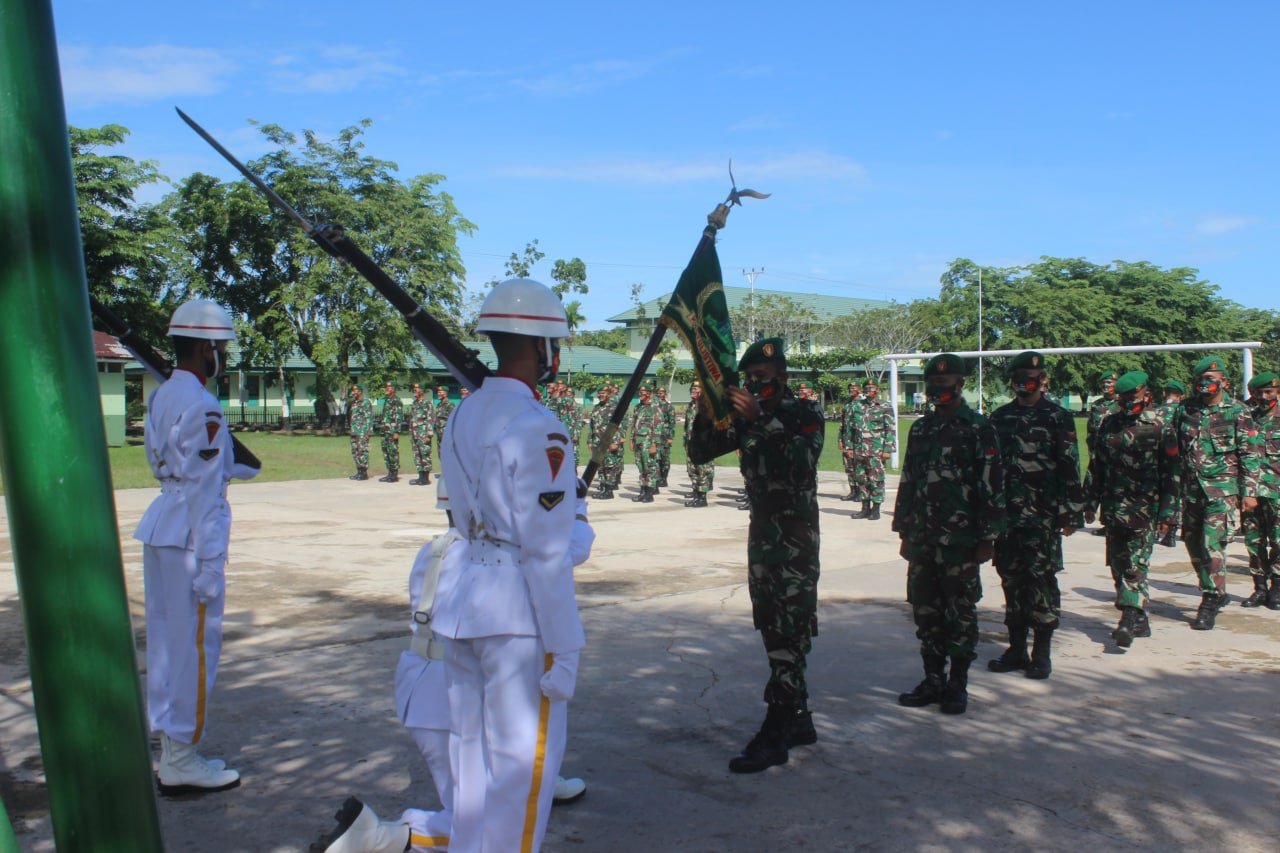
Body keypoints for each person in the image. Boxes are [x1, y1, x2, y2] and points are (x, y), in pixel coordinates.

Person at [322, 473, 592, 852]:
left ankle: (537, 782)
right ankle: (383, 836)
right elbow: (571, 548)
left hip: (419, 689)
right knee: (485, 821)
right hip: (449, 694)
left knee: (475, 804)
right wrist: (575, 507)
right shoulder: (491, 560)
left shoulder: (432, 551)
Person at [433, 277, 583, 853]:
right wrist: (566, 645)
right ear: (543, 347)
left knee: (471, 769)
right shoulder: (540, 426)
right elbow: (546, 552)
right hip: (518, 614)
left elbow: (462, 513)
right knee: (522, 772)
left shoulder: (461, 414)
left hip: (464, 601)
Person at [134, 299, 261, 793]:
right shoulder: (203, 404)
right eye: (220, 348)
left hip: (163, 524)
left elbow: (188, 461)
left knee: (168, 645)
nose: (222, 356)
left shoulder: (164, 393)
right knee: (195, 648)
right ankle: (184, 756)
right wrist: (210, 562)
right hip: (190, 534)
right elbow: (206, 493)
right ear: (207, 349)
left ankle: (171, 750)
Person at [687, 337, 824, 774]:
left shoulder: (805, 413)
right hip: (762, 535)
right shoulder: (745, 416)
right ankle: (799, 718)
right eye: (749, 379)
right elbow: (699, 453)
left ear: (782, 376)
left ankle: (777, 731)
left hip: (795, 539)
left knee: (790, 631)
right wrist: (705, 415)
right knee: (771, 624)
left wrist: (760, 419)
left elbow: (802, 462)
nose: (754, 385)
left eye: (762, 377)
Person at [893, 354, 1005, 715]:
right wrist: (904, 530)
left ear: (960, 384)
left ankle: (957, 684)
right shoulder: (921, 428)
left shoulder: (979, 428)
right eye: (932, 384)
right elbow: (909, 480)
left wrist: (988, 537)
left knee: (960, 613)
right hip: (923, 537)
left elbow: (992, 484)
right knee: (925, 612)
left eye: (944, 383)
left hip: (961, 541)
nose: (937, 389)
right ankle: (932, 679)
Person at [987, 352, 1086, 678]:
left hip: (1042, 517)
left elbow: (1069, 465)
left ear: (1043, 380)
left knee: (1041, 581)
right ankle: (1016, 649)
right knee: (1011, 580)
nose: (1023, 383)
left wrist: (1071, 512)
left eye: (1030, 377)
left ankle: (1041, 652)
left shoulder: (1058, 417)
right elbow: (990, 468)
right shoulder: (1000, 417)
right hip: (1007, 517)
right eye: (1018, 377)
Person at [1084, 371, 1181, 646]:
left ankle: (1127, 618)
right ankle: (1139, 619)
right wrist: (1090, 501)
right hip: (1114, 507)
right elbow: (1097, 465)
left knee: (1135, 564)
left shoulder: (1160, 426)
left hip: (1144, 508)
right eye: (1123, 397)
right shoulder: (1110, 424)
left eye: (1133, 396)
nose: (1128, 402)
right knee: (1118, 563)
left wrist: (1169, 514)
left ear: (1146, 394)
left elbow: (1172, 473)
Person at [1173, 355, 1262, 630]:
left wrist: (1250, 492)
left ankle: (1210, 599)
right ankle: (1214, 588)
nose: (1206, 383)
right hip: (1191, 490)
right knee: (1192, 542)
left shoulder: (1237, 411)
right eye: (1201, 379)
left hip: (1222, 491)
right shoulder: (1186, 408)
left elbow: (1249, 454)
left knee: (1212, 544)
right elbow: (1174, 446)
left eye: (1211, 379)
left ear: (1224, 381)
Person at [1241, 372, 1280, 609]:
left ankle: (1277, 588)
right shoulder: (1244, 417)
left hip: (1276, 491)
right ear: (1252, 393)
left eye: (1269, 392)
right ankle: (1259, 588)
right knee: (1253, 542)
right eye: (1259, 393)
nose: (1265, 397)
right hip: (1250, 492)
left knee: (1278, 541)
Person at [850, 379, 896, 520]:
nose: (869, 389)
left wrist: (887, 450)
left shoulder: (885, 406)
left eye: (872, 387)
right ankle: (865, 509)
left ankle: (876, 509)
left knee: (876, 479)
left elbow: (890, 429)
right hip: (859, 449)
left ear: (878, 389)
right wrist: (849, 447)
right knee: (861, 479)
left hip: (876, 450)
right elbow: (851, 428)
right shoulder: (857, 405)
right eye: (867, 387)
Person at [1086, 370, 1122, 536]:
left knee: (1111, 488)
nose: (1107, 386)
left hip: (1114, 455)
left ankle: (1109, 523)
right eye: (1104, 383)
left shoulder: (1121, 404)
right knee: (1092, 484)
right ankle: (1090, 512)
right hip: (1096, 453)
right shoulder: (1096, 405)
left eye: (1110, 382)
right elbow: (1090, 430)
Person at [1154, 379, 1188, 547]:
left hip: (1158, 458)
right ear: (1181, 396)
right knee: (1176, 495)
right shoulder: (1184, 412)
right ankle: (1172, 533)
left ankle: (1155, 530)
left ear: (1164, 393)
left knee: (1158, 493)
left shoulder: (1156, 412)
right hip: (1179, 459)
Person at [683, 381, 716, 507]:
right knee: (692, 469)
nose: (694, 389)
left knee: (703, 470)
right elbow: (687, 425)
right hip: (691, 443)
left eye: (697, 387)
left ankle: (702, 498)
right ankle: (696, 494)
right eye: (692, 387)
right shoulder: (691, 405)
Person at [588, 383, 623, 499]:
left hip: (609, 442)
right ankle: (602, 488)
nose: (600, 395)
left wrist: (615, 442)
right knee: (600, 466)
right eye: (599, 393)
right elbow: (592, 426)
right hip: (597, 442)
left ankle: (609, 491)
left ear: (609, 394)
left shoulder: (614, 408)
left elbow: (619, 426)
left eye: (603, 393)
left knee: (609, 466)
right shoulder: (596, 407)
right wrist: (590, 441)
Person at [630, 382, 662, 502]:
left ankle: (649, 493)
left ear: (649, 393)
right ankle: (642, 491)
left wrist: (654, 444)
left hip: (648, 442)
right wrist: (631, 439)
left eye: (642, 392)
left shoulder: (654, 407)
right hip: (638, 441)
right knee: (641, 467)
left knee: (650, 467)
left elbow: (658, 426)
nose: (640, 393)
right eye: (639, 392)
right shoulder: (638, 407)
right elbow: (634, 425)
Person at [837, 382, 863, 502]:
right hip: (847, 441)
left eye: (854, 387)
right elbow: (842, 424)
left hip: (859, 441)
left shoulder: (863, 403)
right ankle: (853, 491)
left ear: (860, 389)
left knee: (859, 467)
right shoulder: (847, 403)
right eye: (850, 388)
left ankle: (861, 492)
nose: (852, 389)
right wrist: (840, 439)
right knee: (849, 467)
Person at [408, 383, 435, 486]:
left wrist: (429, 434)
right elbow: (412, 419)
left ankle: (426, 479)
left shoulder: (427, 403)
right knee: (417, 456)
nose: (415, 390)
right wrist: (410, 433)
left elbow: (430, 419)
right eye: (414, 389)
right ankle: (420, 477)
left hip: (423, 434)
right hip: (415, 434)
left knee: (425, 455)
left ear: (422, 391)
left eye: (417, 389)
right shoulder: (414, 403)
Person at [378, 382, 404, 483]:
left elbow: (398, 417)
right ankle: (390, 473)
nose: (387, 388)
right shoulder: (387, 400)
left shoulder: (396, 401)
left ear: (393, 389)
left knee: (393, 452)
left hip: (392, 431)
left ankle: (394, 475)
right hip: (385, 431)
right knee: (386, 452)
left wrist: (396, 431)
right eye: (386, 386)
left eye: (389, 387)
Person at [348, 385, 374, 481]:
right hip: (354, 432)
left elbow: (369, 417)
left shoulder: (366, 402)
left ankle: (364, 473)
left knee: (362, 451)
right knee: (355, 451)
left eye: (355, 390)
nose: (353, 392)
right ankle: (359, 471)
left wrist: (369, 432)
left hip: (363, 432)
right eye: (353, 390)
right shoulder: (354, 403)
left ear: (360, 391)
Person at [655, 386, 676, 488]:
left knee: (664, 458)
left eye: (662, 392)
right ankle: (657, 478)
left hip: (665, 435)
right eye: (658, 393)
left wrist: (670, 437)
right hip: (655, 436)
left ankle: (664, 479)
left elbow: (672, 423)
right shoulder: (654, 406)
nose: (660, 394)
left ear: (665, 394)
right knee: (656, 457)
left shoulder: (669, 407)